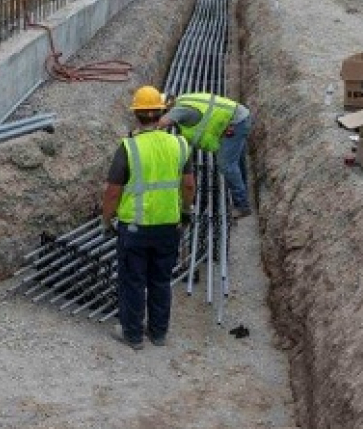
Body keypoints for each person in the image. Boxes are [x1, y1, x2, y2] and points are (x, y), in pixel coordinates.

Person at [100, 85, 195, 350]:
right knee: (160, 280)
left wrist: (106, 222)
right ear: (162, 112)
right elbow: (188, 185)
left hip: (135, 230)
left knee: (132, 281)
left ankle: (132, 335)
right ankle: (158, 333)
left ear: (137, 115)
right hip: (168, 227)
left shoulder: (128, 148)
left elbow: (112, 193)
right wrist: (186, 212)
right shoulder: (179, 144)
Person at [157, 91, 253, 219]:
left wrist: (141, 132)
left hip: (236, 122)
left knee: (226, 164)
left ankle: (242, 206)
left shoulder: (180, 110)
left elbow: (162, 123)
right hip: (236, 118)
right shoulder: (184, 101)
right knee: (235, 162)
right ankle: (243, 193)